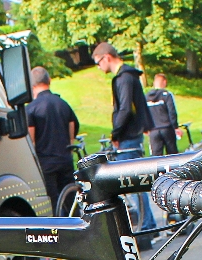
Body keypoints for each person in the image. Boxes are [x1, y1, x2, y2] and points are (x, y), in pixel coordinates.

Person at [92, 42, 157, 238]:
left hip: (127, 136)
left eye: (97, 62)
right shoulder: (128, 76)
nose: (98, 67)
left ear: (107, 57)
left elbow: (125, 109)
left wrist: (116, 133)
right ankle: (148, 224)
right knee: (133, 182)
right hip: (131, 135)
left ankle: (146, 226)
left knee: (130, 182)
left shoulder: (124, 78)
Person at [25, 66, 80, 212]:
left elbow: (31, 139)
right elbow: (73, 124)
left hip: (45, 162)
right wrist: (69, 144)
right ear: (49, 80)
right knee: (71, 199)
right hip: (65, 159)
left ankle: (58, 231)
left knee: (52, 201)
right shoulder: (63, 104)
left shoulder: (31, 108)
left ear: (32, 86)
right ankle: (77, 229)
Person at [146, 73, 180, 155]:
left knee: (156, 158)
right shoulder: (167, 95)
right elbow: (172, 112)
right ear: (164, 82)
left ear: (154, 83)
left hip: (153, 130)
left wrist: (145, 128)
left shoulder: (146, 97)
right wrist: (175, 127)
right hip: (167, 128)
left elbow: (143, 113)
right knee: (172, 156)